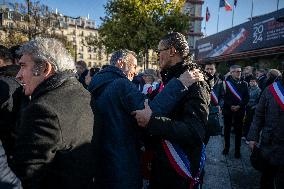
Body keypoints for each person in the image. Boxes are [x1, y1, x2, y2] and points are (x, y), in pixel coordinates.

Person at [88, 49, 203, 189]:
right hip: (122, 168)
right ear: (120, 63)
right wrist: (180, 83)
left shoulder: (96, 83)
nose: (136, 72)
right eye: (134, 66)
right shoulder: (121, 85)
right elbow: (150, 112)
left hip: (102, 166)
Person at [11, 38, 95, 189]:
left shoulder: (42, 109)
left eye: (23, 66)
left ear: (45, 68)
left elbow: (27, 175)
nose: (18, 75)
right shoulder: (82, 93)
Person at [132, 32, 210, 189]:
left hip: (178, 170)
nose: (157, 55)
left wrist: (152, 122)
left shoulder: (195, 83)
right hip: (162, 165)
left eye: (159, 51)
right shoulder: (171, 80)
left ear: (172, 51)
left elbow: (195, 132)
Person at [247, 73, 284, 189]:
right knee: (267, 178)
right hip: (271, 143)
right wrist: (253, 137)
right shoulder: (271, 90)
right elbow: (259, 115)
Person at [222, 65, 249, 158]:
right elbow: (223, 97)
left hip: (240, 111)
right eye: (237, 71)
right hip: (228, 110)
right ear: (231, 72)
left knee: (238, 131)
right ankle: (226, 147)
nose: (239, 73)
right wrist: (230, 105)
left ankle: (237, 150)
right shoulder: (225, 83)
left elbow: (246, 98)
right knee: (227, 130)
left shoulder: (244, 83)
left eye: (240, 71)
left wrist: (239, 106)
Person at [204, 62, 224, 145]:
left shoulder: (219, 82)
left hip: (213, 112)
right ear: (204, 70)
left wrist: (220, 105)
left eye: (211, 69)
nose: (209, 71)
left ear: (215, 70)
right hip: (201, 111)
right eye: (207, 69)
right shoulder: (199, 80)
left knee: (207, 137)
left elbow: (222, 96)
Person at [243, 76, 261, 141]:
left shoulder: (258, 90)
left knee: (250, 122)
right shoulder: (248, 88)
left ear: (256, 82)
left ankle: (249, 137)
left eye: (253, 81)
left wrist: (254, 107)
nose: (251, 82)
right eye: (250, 81)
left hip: (252, 108)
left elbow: (259, 101)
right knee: (246, 122)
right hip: (246, 107)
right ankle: (244, 134)